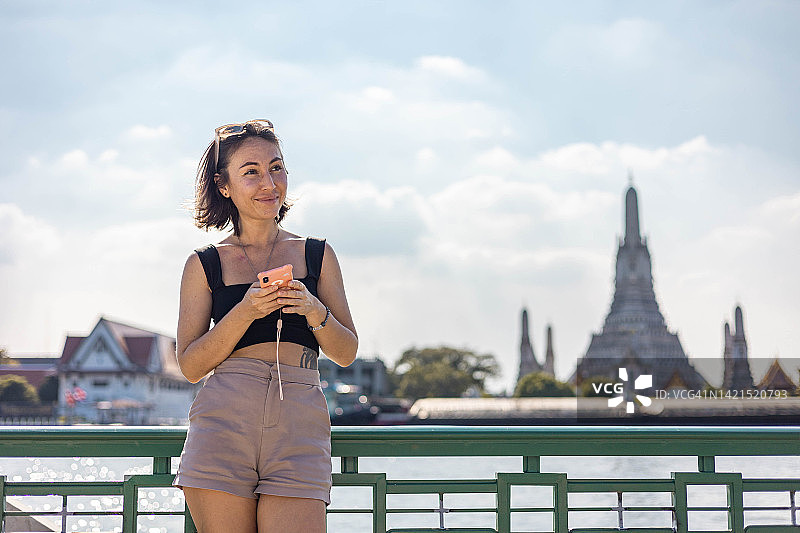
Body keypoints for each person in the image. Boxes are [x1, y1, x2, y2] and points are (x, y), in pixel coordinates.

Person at [172, 119, 358, 533]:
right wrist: (245, 311)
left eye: (276, 167)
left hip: (299, 420)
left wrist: (313, 309)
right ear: (224, 186)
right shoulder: (203, 264)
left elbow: (346, 352)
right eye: (251, 172)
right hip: (223, 423)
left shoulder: (317, 254)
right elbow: (191, 366)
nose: (269, 183)